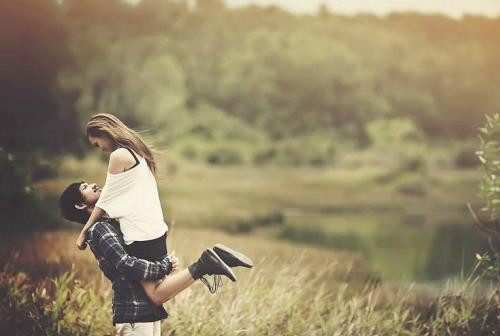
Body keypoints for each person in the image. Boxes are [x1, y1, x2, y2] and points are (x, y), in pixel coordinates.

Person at [59, 180, 253, 336]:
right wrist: (163, 267)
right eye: (85, 187)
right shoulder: (99, 229)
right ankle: (206, 263)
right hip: (133, 313)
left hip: (146, 309)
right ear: (80, 204)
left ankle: (209, 262)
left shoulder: (109, 223)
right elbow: (126, 264)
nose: (93, 184)